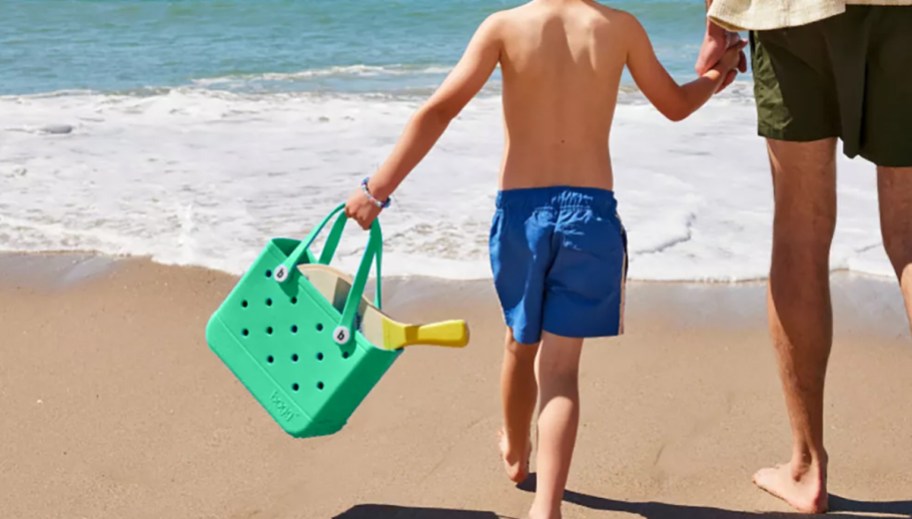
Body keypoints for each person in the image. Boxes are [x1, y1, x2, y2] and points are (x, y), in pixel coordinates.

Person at [345, 1, 744, 517]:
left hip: (521, 215)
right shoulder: (619, 27)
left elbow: (439, 110)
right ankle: (547, 507)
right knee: (560, 371)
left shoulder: (505, 26)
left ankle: (514, 451)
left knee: (519, 342)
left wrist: (377, 190)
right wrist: (718, 74)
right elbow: (673, 105)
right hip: (590, 216)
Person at [696, 0, 912, 514]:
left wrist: (718, 20)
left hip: (792, 12)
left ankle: (806, 468)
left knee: (800, 230)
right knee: (909, 232)